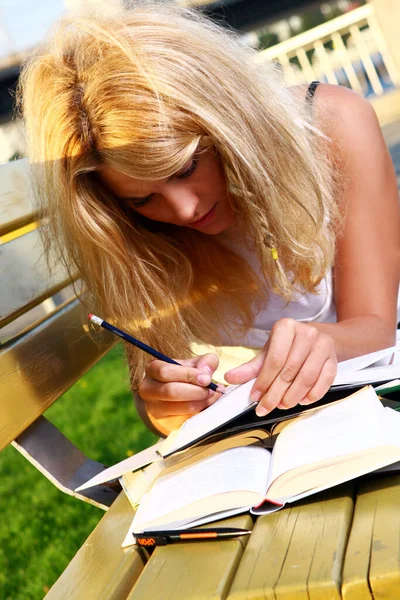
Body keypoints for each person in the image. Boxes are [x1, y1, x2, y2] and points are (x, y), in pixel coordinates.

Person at [19, 2, 400, 436]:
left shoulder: (330, 121)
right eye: (143, 199)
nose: (183, 210)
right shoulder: (126, 233)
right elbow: (156, 385)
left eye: (186, 168)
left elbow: (377, 327)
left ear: (228, 125)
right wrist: (165, 404)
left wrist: (326, 341)